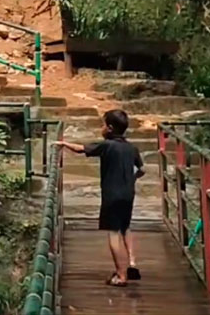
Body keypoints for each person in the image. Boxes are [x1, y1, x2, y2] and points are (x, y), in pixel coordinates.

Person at [57, 109, 145, 287]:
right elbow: (142, 170)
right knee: (126, 227)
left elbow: (81, 149)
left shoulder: (107, 145)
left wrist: (63, 143)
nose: (101, 128)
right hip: (128, 194)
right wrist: (132, 179)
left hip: (112, 195)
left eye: (103, 124)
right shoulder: (132, 148)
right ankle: (132, 263)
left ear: (110, 128)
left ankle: (121, 275)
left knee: (113, 232)